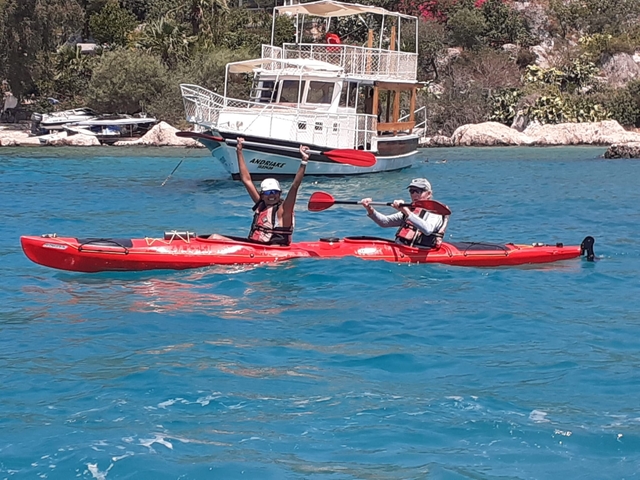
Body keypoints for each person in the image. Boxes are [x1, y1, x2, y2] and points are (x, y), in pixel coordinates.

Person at [216, 137, 309, 246]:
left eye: (275, 192)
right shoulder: (261, 204)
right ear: (263, 195)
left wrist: (304, 161)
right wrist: (239, 151)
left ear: (280, 193)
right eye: (268, 193)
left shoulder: (284, 210)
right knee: (214, 237)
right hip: (254, 246)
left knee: (273, 264)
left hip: (274, 250)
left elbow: (295, 186)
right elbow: (246, 180)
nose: (272, 195)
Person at [361, 178, 449, 248]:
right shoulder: (411, 210)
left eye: (418, 191)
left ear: (429, 194)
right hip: (403, 247)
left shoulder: (435, 212)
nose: (414, 195)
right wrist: (369, 208)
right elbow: (384, 222)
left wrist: (406, 211)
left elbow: (427, 230)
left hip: (421, 250)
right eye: (412, 191)